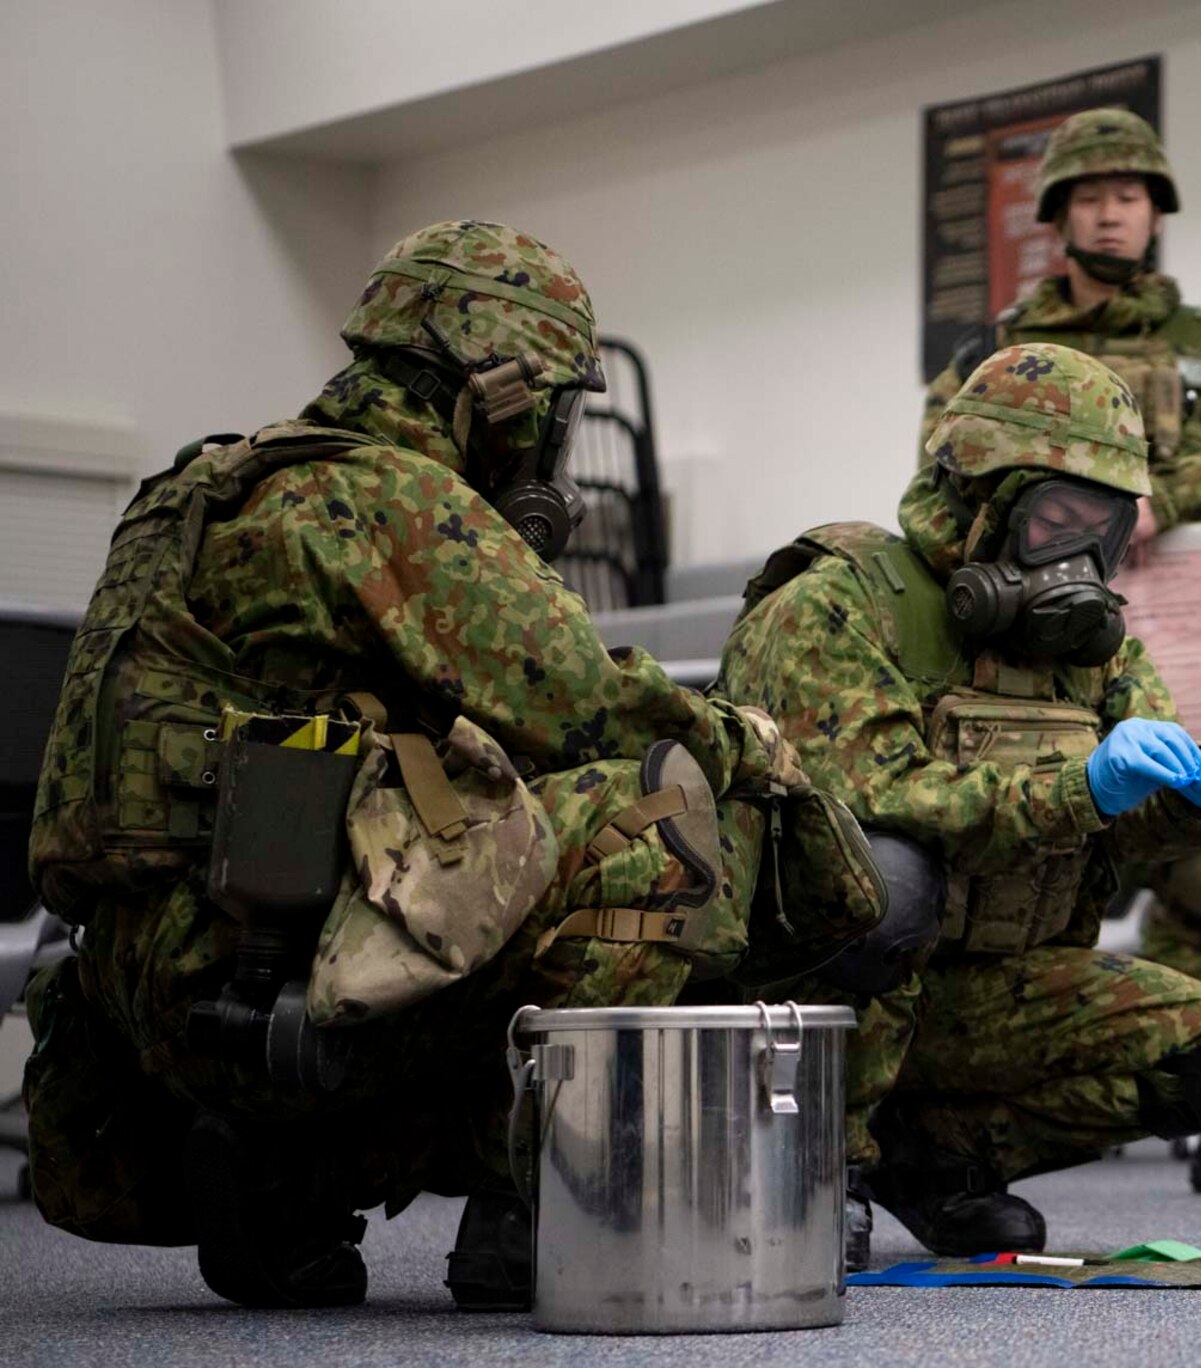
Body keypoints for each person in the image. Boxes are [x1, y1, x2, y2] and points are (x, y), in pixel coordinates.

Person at [22, 221, 871, 1311]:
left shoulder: (201, 486)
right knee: (653, 806)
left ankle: (282, 1183)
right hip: (279, 976)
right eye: (558, 417)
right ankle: (538, 1206)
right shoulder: (391, 499)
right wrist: (755, 741)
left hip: (152, 980)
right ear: (499, 391)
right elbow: (584, 704)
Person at [723, 343, 1201, 1264]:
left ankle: (934, 1161)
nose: (1083, 558)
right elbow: (874, 797)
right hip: (815, 1000)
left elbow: (1141, 813)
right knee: (884, 881)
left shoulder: (1096, 649)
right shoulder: (842, 603)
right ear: (981, 499)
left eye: (1107, 529)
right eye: (1059, 520)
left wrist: (1192, 799)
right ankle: (820, 1164)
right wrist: (1080, 785)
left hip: (981, 993)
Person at [920, 106, 1201, 1193]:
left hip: (1181, 624)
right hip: (1029, 650)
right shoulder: (994, 352)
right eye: (1090, 194)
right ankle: (948, 1120)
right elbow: (938, 462)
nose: (1112, 209)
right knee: (1011, 874)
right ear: (1056, 216)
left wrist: (1157, 495)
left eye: (1130, 192)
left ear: (1155, 211)